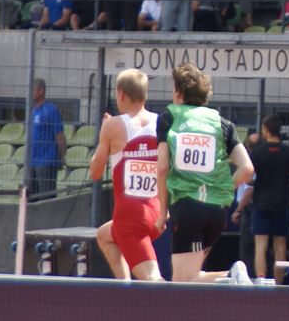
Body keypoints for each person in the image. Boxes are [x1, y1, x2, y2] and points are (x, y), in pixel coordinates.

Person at [159, 62, 254, 284]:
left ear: (178, 93)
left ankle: (231, 275)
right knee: (189, 277)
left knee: (184, 280)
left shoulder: (169, 117)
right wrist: (221, 189)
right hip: (216, 212)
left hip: (188, 208)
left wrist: (162, 212)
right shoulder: (223, 123)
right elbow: (247, 169)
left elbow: (162, 167)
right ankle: (234, 280)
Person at [88, 68, 164, 281]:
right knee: (104, 236)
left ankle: (229, 277)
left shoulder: (113, 125)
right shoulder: (162, 123)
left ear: (121, 94)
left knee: (153, 281)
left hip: (130, 216)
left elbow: (95, 172)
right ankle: (124, 289)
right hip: (156, 213)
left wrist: (104, 132)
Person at [247, 115, 289, 279]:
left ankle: (261, 281)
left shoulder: (258, 152)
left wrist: (255, 182)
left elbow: (248, 177)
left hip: (261, 202)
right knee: (280, 245)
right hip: (282, 204)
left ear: (265, 129)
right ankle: (279, 284)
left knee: (260, 246)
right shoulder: (288, 152)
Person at [27, 79, 65, 199]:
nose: (29, 93)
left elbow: (60, 135)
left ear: (41, 91)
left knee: (46, 197)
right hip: (32, 161)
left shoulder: (51, 110)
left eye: (32, 89)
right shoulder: (32, 110)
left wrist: (61, 157)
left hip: (46, 161)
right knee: (31, 197)